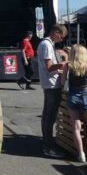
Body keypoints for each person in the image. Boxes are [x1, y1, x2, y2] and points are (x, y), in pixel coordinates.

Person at [37, 24, 68, 158]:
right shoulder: (47, 45)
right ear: (56, 32)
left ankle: (47, 144)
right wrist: (64, 64)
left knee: (47, 115)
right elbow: (49, 67)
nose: (61, 39)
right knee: (50, 116)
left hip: (49, 83)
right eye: (61, 36)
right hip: (51, 84)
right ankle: (48, 147)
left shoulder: (47, 44)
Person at [66, 44, 87, 162]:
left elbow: (62, 82)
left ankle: (81, 154)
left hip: (72, 94)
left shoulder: (68, 66)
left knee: (76, 127)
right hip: (86, 94)